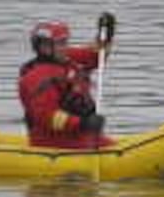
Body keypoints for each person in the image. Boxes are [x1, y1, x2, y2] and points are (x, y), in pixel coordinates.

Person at [18, 18, 114, 149]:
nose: (65, 47)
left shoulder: (65, 59)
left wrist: (106, 36)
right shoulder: (37, 78)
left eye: (65, 42)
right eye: (60, 43)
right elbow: (47, 116)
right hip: (54, 142)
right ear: (45, 47)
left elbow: (95, 57)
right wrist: (83, 123)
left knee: (110, 145)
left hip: (77, 135)